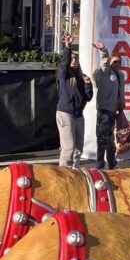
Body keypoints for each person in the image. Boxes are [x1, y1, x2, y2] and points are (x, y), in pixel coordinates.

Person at [56, 32, 93, 168]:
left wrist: (88, 84)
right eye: (72, 58)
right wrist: (68, 46)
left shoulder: (81, 77)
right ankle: (64, 175)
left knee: (78, 149)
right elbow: (64, 63)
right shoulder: (64, 74)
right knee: (69, 147)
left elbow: (88, 98)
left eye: (76, 58)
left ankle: (75, 173)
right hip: (65, 113)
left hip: (78, 115)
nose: (74, 60)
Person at [91, 39, 124, 170]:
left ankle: (112, 163)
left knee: (111, 140)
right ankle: (99, 165)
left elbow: (121, 92)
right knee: (102, 139)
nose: (117, 64)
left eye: (119, 62)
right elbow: (104, 61)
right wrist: (103, 50)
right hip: (104, 111)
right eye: (115, 62)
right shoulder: (105, 72)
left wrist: (121, 106)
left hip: (113, 111)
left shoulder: (120, 74)